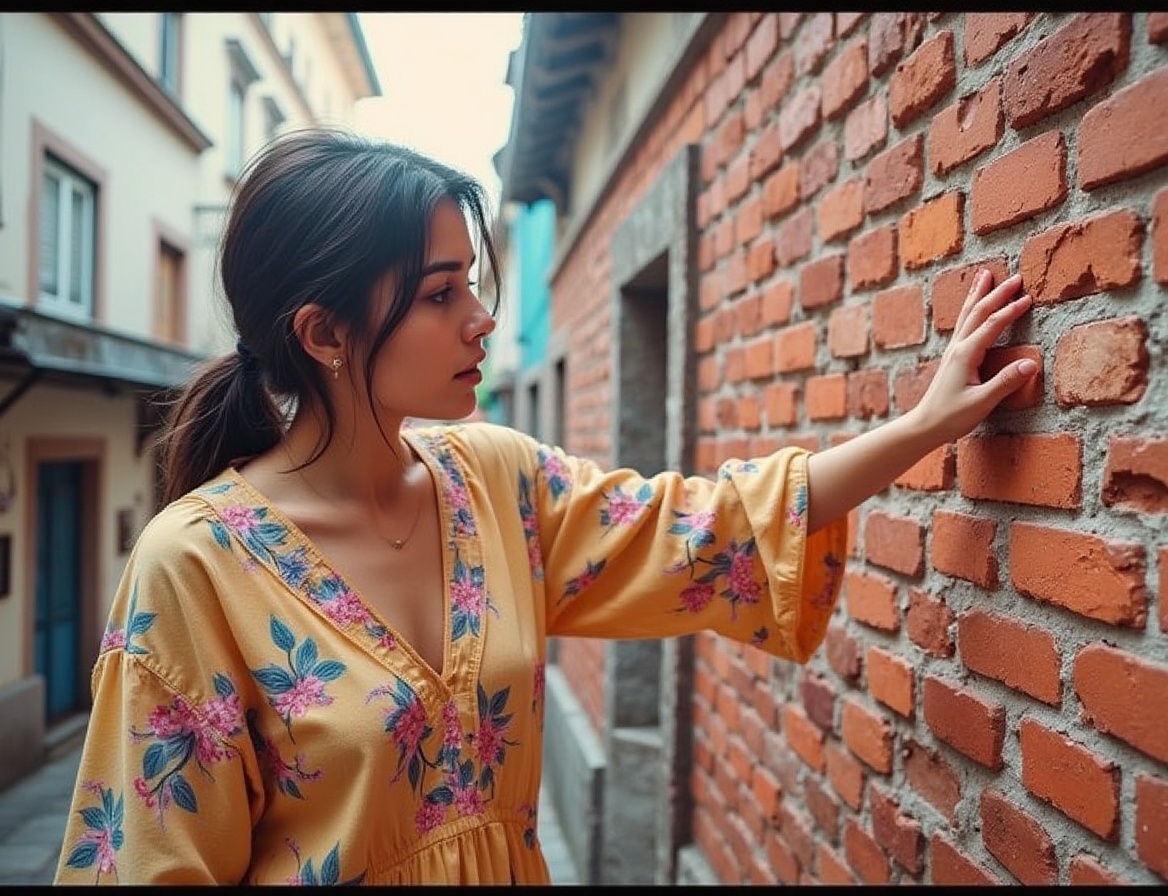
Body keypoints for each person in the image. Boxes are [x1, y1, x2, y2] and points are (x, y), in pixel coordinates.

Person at [53, 126, 1038, 885]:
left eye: (472, 285)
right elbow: (151, 856)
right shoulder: (195, 565)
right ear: (322, 331)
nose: (482, 319)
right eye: (443, 294)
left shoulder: (494, 480)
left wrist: (923, 424)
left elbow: (715, 527)